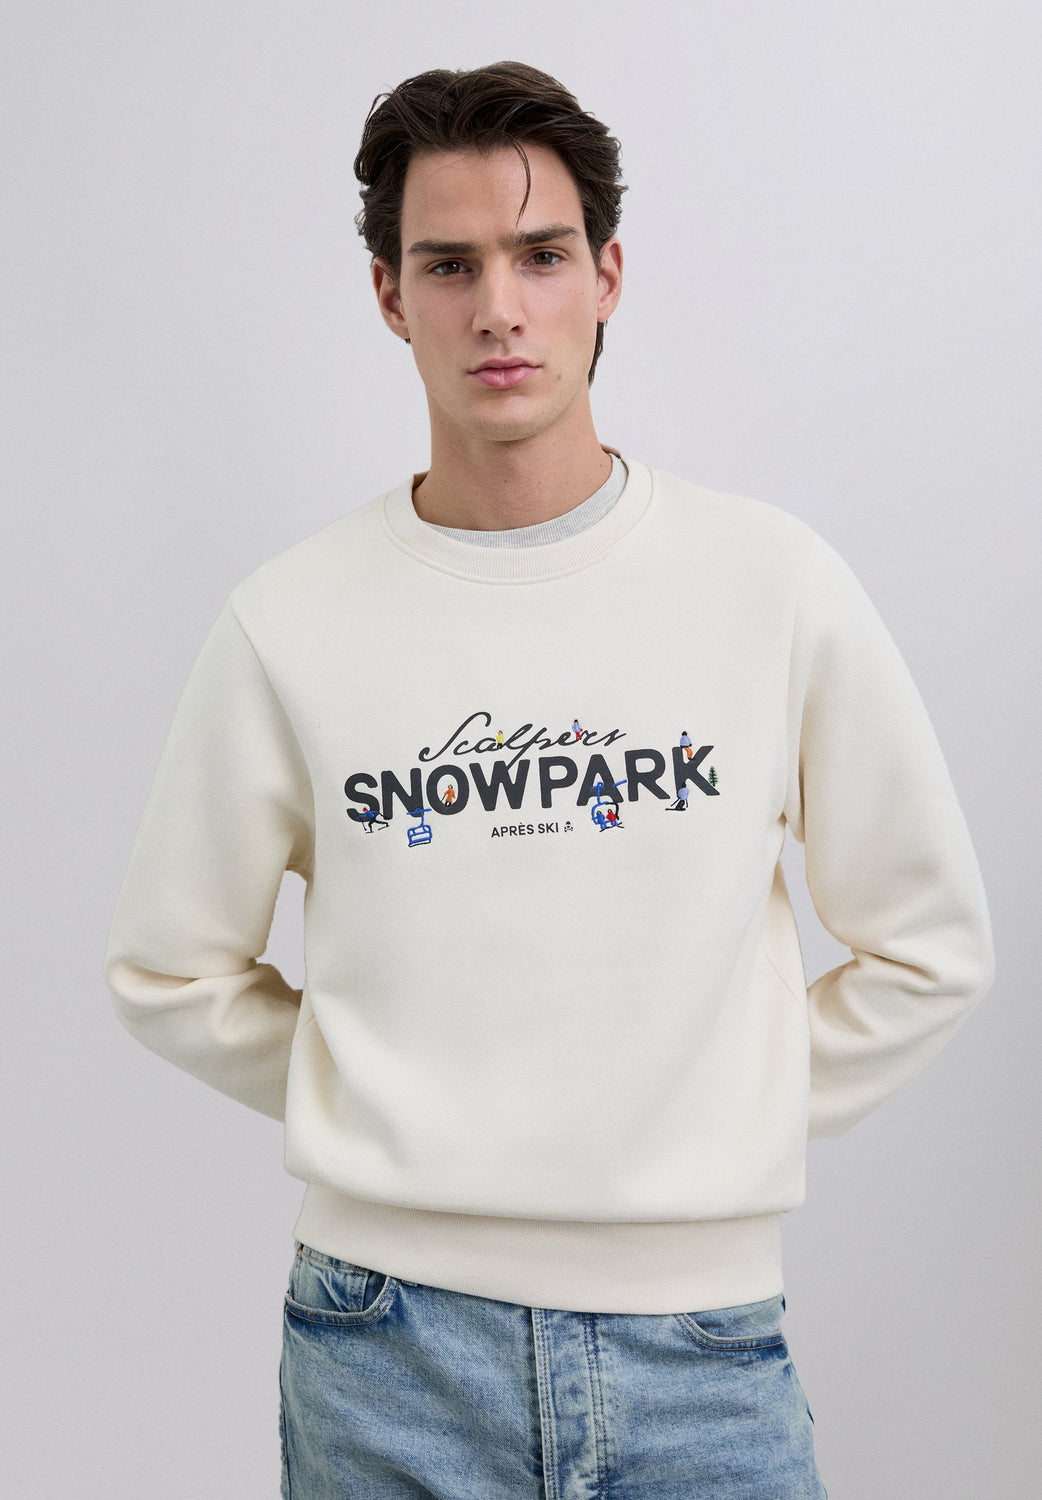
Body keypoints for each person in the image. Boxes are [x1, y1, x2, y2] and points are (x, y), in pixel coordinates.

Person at [103, 60, 995, 1499]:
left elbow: (929, 949)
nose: (499, 310)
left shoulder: (769, 585)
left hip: (700, 1348)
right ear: (390, 296)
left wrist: (722, 1103)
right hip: (384, 1347)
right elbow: (168, 968)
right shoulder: (292, 620)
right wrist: (386, 1101)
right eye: (448, 265)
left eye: (541, 256)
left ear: (607, 276)